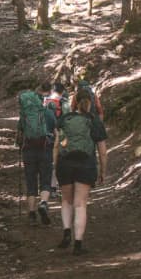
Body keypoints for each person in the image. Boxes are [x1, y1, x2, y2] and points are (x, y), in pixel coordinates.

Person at [53, 87, 108, 254]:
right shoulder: (95, 121)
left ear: (74, 102)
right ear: (91, 102)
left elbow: (57, 145)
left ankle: (66, 232)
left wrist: (56, 166)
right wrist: (103, 171)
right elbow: (102, 150)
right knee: (80, 204)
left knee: (66, 201)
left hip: (65, 163)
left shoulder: (64, 118)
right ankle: (77, 244)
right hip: (86, 164)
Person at [16, 84, 56, 225]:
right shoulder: (49, 113)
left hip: (28, 150)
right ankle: (43, 203)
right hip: (45, 150)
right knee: (45, 180)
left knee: (31, 181)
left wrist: (20, 143)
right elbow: (56, 134)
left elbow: (19, 136)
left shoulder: (25, 115)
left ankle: (32, 215)